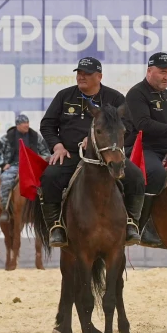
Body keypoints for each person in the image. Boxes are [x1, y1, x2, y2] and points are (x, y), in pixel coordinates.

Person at [40, 57, 145, 247]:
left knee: (136, 177)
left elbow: (129, 126)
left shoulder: (115, 98)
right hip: (71, 154)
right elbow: (47, 124)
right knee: (49, 177)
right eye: (79, 73)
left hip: (107, 155)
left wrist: (104, 142)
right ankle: (55, 227)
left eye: (86, 74)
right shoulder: (64, 96)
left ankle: (131, 223)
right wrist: (57, 146)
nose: (81, 77)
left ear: (99, 76)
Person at [124, 52, 167, 248]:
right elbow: (143, 124)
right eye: (163, 72)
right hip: (143, 147)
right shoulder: (136, 93)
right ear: (149, 71)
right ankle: (144, 227)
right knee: (156, 174)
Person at [0, 114, 50, 223]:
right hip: (14, 166)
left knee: (48, 181)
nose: (27, 125)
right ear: (17, 125)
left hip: (31, 165)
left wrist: (39, 159)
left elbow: (46, 153)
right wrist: (3, 164)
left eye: (27, 122)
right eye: (24, 123)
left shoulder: (35, 136)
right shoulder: (7, 138)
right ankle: (5, 209)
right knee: (5, 182)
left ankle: (47, 210)